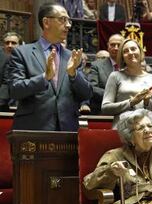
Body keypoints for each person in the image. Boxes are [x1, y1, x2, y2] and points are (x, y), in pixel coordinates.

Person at [7, 2, 92, 131]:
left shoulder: (72, 57)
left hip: (67, 130)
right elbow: (14, 90)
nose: (68, 25)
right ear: (46, 23)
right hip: (32, 129)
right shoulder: (22, 53)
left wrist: (73, 74)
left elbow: (86, 94)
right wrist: (44, 77)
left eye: (69, 20)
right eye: (63, 20)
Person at [102, 38, 152, 128]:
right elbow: (105, 108)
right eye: (125, 51)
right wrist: (131, 102)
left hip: (146, 129)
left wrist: (147, 102)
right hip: (122, 129)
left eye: (133, 49)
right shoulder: (115, 76)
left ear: (140, 52)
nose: (130, 52)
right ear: (123, 57)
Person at [88, 34, 124, 114]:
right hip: (102, 112)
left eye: (119, 45)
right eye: (112, 45)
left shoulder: (129, 65)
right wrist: (115, 96)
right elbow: (92, 87)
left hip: (126, 111)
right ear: (108, 46)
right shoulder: (97, 65)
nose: (116, 48)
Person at [0, 32, 22, 111]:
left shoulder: (26, 59)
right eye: (7, 43)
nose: (10, 45)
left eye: (13, 43)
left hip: (20, 100)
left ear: (20, 45)